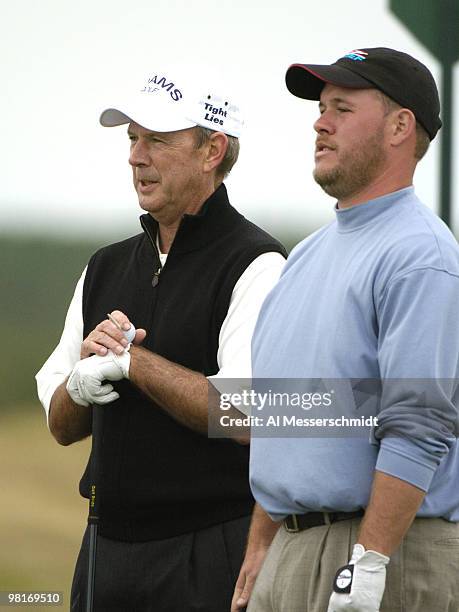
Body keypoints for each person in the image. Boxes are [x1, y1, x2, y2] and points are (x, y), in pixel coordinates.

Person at [36, 69, 286, 611]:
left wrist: (133, 363)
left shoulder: (256, 264)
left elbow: (241, 415)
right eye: (132, 138)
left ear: (211, 150)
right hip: (105, 545)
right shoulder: (105, 266)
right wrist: (80, 386)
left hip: (208, 548)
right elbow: (59, 426)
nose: (135, 156)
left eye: (158, 140)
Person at [246, 48, 459, 612]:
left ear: (399, 127)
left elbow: (419, 423)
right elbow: (287, 414)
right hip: (292, 553)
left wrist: (369, 563)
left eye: (342, 107)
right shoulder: (306, 257)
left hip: (386, 551)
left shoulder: (421, 255)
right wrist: (262, 544)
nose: (320, 122)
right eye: (321, 108)